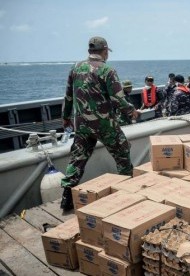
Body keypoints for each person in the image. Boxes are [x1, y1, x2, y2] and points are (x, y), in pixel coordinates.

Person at [60, 36, 139, 211]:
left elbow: (68, 96)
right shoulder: (107, 70)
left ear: (90, 51)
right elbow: (117, 98)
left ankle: (67, 195)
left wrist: (66, 117)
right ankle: (128, 193)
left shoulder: (75, 67)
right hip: (104, 125)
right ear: (104, 51)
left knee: (78, 158)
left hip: (81, 125)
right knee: (122, 152)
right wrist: (131, 111)